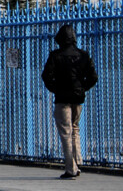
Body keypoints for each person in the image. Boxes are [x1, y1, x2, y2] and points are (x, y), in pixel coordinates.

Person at [42, 24, 98, 180]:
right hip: (78, 98)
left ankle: (71, 169)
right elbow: (93, 77)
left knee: (66, 132)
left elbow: (46, 76)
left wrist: (56, 89)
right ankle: (77, 161)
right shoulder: (83, 55)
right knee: (75, 129)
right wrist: (82, 88)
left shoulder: (55, 55)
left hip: (62, 99)